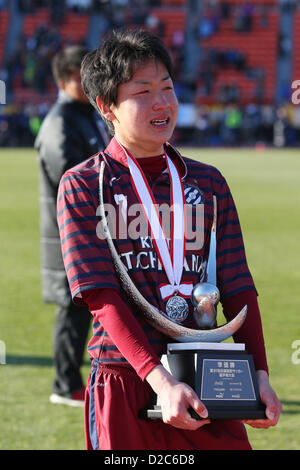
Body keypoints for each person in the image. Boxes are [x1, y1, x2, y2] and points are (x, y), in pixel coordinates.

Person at [57, 30, 281, 448]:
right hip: (127, 378)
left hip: (206, 375)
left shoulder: (208, 182)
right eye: (143, 92)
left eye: (167, 88)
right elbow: (101, 296)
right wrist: (159, 381)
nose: (162, 103)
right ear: (107, 106)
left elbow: (237, 285)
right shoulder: (84, 184)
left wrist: (260, 376)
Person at [35, 45, 109, 406]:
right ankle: (64, 385)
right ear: (67, 79)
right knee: (71, 307)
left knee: (84, 306)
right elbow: (72, 180)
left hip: (94, 229)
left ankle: (79, 379)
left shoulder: (84, 113)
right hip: (69, 233)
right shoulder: (60, 122)